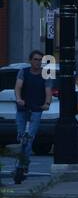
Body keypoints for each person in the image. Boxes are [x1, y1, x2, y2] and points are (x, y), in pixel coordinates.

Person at [12, 50, 52, 180]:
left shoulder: (46, 74)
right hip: (22, 108)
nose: (38, 62)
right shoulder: (23, 71)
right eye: (35, 59)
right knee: (21, 136)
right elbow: (18, 86)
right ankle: (22, 163)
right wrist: (18, 98)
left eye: (40, 60)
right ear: (30, 60)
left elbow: (48, 90)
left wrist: (47, 103)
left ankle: (23, 164)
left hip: (36, 109)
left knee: (29, 138)